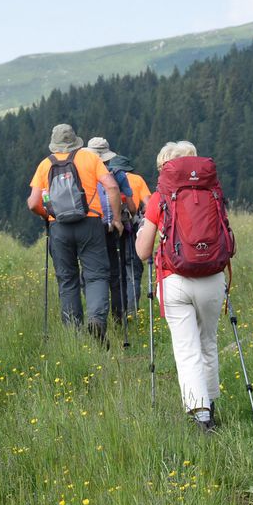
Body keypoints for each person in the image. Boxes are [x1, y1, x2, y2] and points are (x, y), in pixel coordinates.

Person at [135, 141, 233, 432]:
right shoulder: (212, 191)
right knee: (208, 344)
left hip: (175, 280)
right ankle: (211, 404)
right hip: (213, 277)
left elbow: (143, 252)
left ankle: (201, 415)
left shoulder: (160, 196)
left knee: (187, 349)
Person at [27, 123, 122, 342]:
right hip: (90, 223)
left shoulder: (45, 165)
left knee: (67, 279)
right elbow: (112, 187)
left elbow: (33, 203)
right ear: (74, 141)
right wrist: (116, 219)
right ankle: (97, 320)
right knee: (96, 275)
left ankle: (73, 335)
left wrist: (47, 215)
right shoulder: (89, 158)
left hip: (58, 227)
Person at [85, 137, 136, 321]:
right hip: (114, 229)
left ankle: (96, 315)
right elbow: (131, 207)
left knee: (92, 273)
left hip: (89, 227)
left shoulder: (84, 173)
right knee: (117, 273)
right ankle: (118, 316)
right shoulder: (119, 174)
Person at [125, 170, 153, 307]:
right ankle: (131, 310)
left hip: (103, 227)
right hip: (131, 226)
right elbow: (149, 204)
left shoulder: (104, 175)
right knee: (133, 269)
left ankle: (115, 313)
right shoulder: (136, 179)